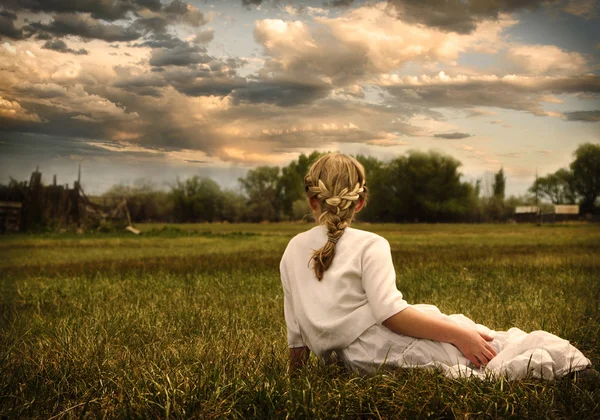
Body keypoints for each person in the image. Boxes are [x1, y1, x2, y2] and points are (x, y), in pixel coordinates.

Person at [279, 152, 593, 380]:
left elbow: (297, 335)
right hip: (386, 349)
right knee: (482, 349)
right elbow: (392, 315)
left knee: (469, 336)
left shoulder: (292, 249)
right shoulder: (370, 244)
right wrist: (459, 337)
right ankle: (573, 369)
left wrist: (296, 378)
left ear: (312, 201)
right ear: (360, 202)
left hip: (352, 361)